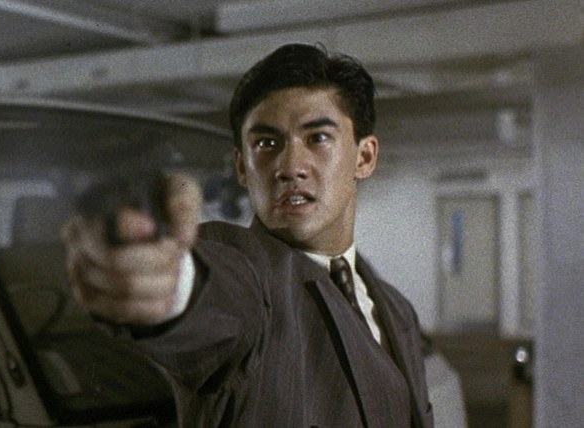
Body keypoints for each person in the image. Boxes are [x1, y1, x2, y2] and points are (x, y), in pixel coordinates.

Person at [63, 43, 434, 427]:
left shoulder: (396, 310)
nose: (290, 166)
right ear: (242, 167)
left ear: (365, 157)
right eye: (266, 143)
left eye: (318, 138)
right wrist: (170, 279)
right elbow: (214, 296)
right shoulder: (248, 273)